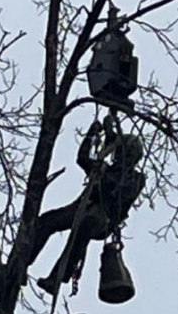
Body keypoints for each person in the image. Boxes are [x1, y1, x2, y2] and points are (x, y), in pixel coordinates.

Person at [31, 116, 144, 295]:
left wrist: (110, 138)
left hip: (102, 218)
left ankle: (57, 278)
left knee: (82, 229)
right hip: (82, 208)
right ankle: (24, 262)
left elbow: (118, 191)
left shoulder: (135, 178)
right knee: (48, 220)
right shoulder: (104, 168)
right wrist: (93, 134)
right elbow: (82, 158)